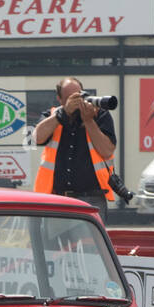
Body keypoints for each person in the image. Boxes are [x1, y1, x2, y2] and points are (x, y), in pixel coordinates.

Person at [32, 77, 117, 214]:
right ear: (59, 99)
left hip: (91, 197)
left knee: (89, 236)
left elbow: (107, 151)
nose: (76, 102)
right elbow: (36, 138)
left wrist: (89, 121)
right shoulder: (52, 115)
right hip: (57, 197)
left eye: (78, 96)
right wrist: (63, 113)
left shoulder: (99, 115)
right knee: (55, 236)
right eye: (70, 98)